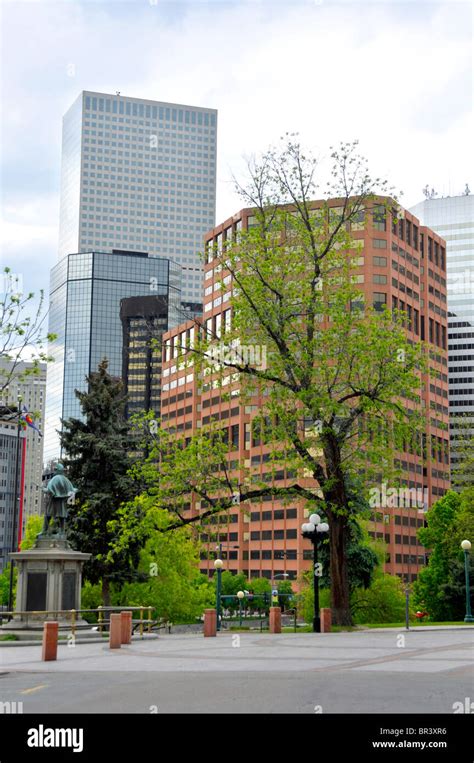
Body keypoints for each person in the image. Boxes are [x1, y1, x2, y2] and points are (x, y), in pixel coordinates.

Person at [41, 463, 77, 537]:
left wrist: (43, 489)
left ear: (57, 470)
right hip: (62, 502)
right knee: (62, 516)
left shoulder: (55, 479)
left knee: (48, 515)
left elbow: (49, 490)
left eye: (55, 470)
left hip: (54, 501)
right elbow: (72, 490)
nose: (54, 471)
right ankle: (62, 532)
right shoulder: (66, 480)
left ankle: (44, 531)